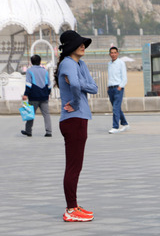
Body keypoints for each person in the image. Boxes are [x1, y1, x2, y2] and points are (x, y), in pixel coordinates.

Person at [54, 30, 98, 222]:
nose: (83, 46)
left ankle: (73, 205)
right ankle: (70, 209)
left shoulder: (80, 64)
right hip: (73, 119)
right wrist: (76, 103)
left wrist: (80, 84)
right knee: (73, 166)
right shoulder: (68, 64)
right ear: (70, 47)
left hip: (79, 119)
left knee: (76, 166)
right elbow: (75, 86)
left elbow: (94, 87)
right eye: (80, 44)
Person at [21, 55, 52, 137]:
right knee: (46, 114)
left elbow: (28, 84)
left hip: (33, 96)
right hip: (44, 96)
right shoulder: (45, 71)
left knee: (31, 113)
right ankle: (49, 132)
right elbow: (49, 85)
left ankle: (28, 131)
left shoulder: (29, 71)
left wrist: (25, 94)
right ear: (40, 61)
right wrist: (48, 94)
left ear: (31, 62)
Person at [107, 46, 129, 134]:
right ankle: (125, 123)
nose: (113, 54)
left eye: (115, 52)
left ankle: (115, 127)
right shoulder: (109, 64)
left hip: (118, 88)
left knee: (115, 108)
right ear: (109, 54)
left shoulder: (121, 63)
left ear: (117, 53)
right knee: (116, 108)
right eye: (111, 53)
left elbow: (124, 77)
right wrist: (108, 86)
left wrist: (120, 87)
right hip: (110, 88)